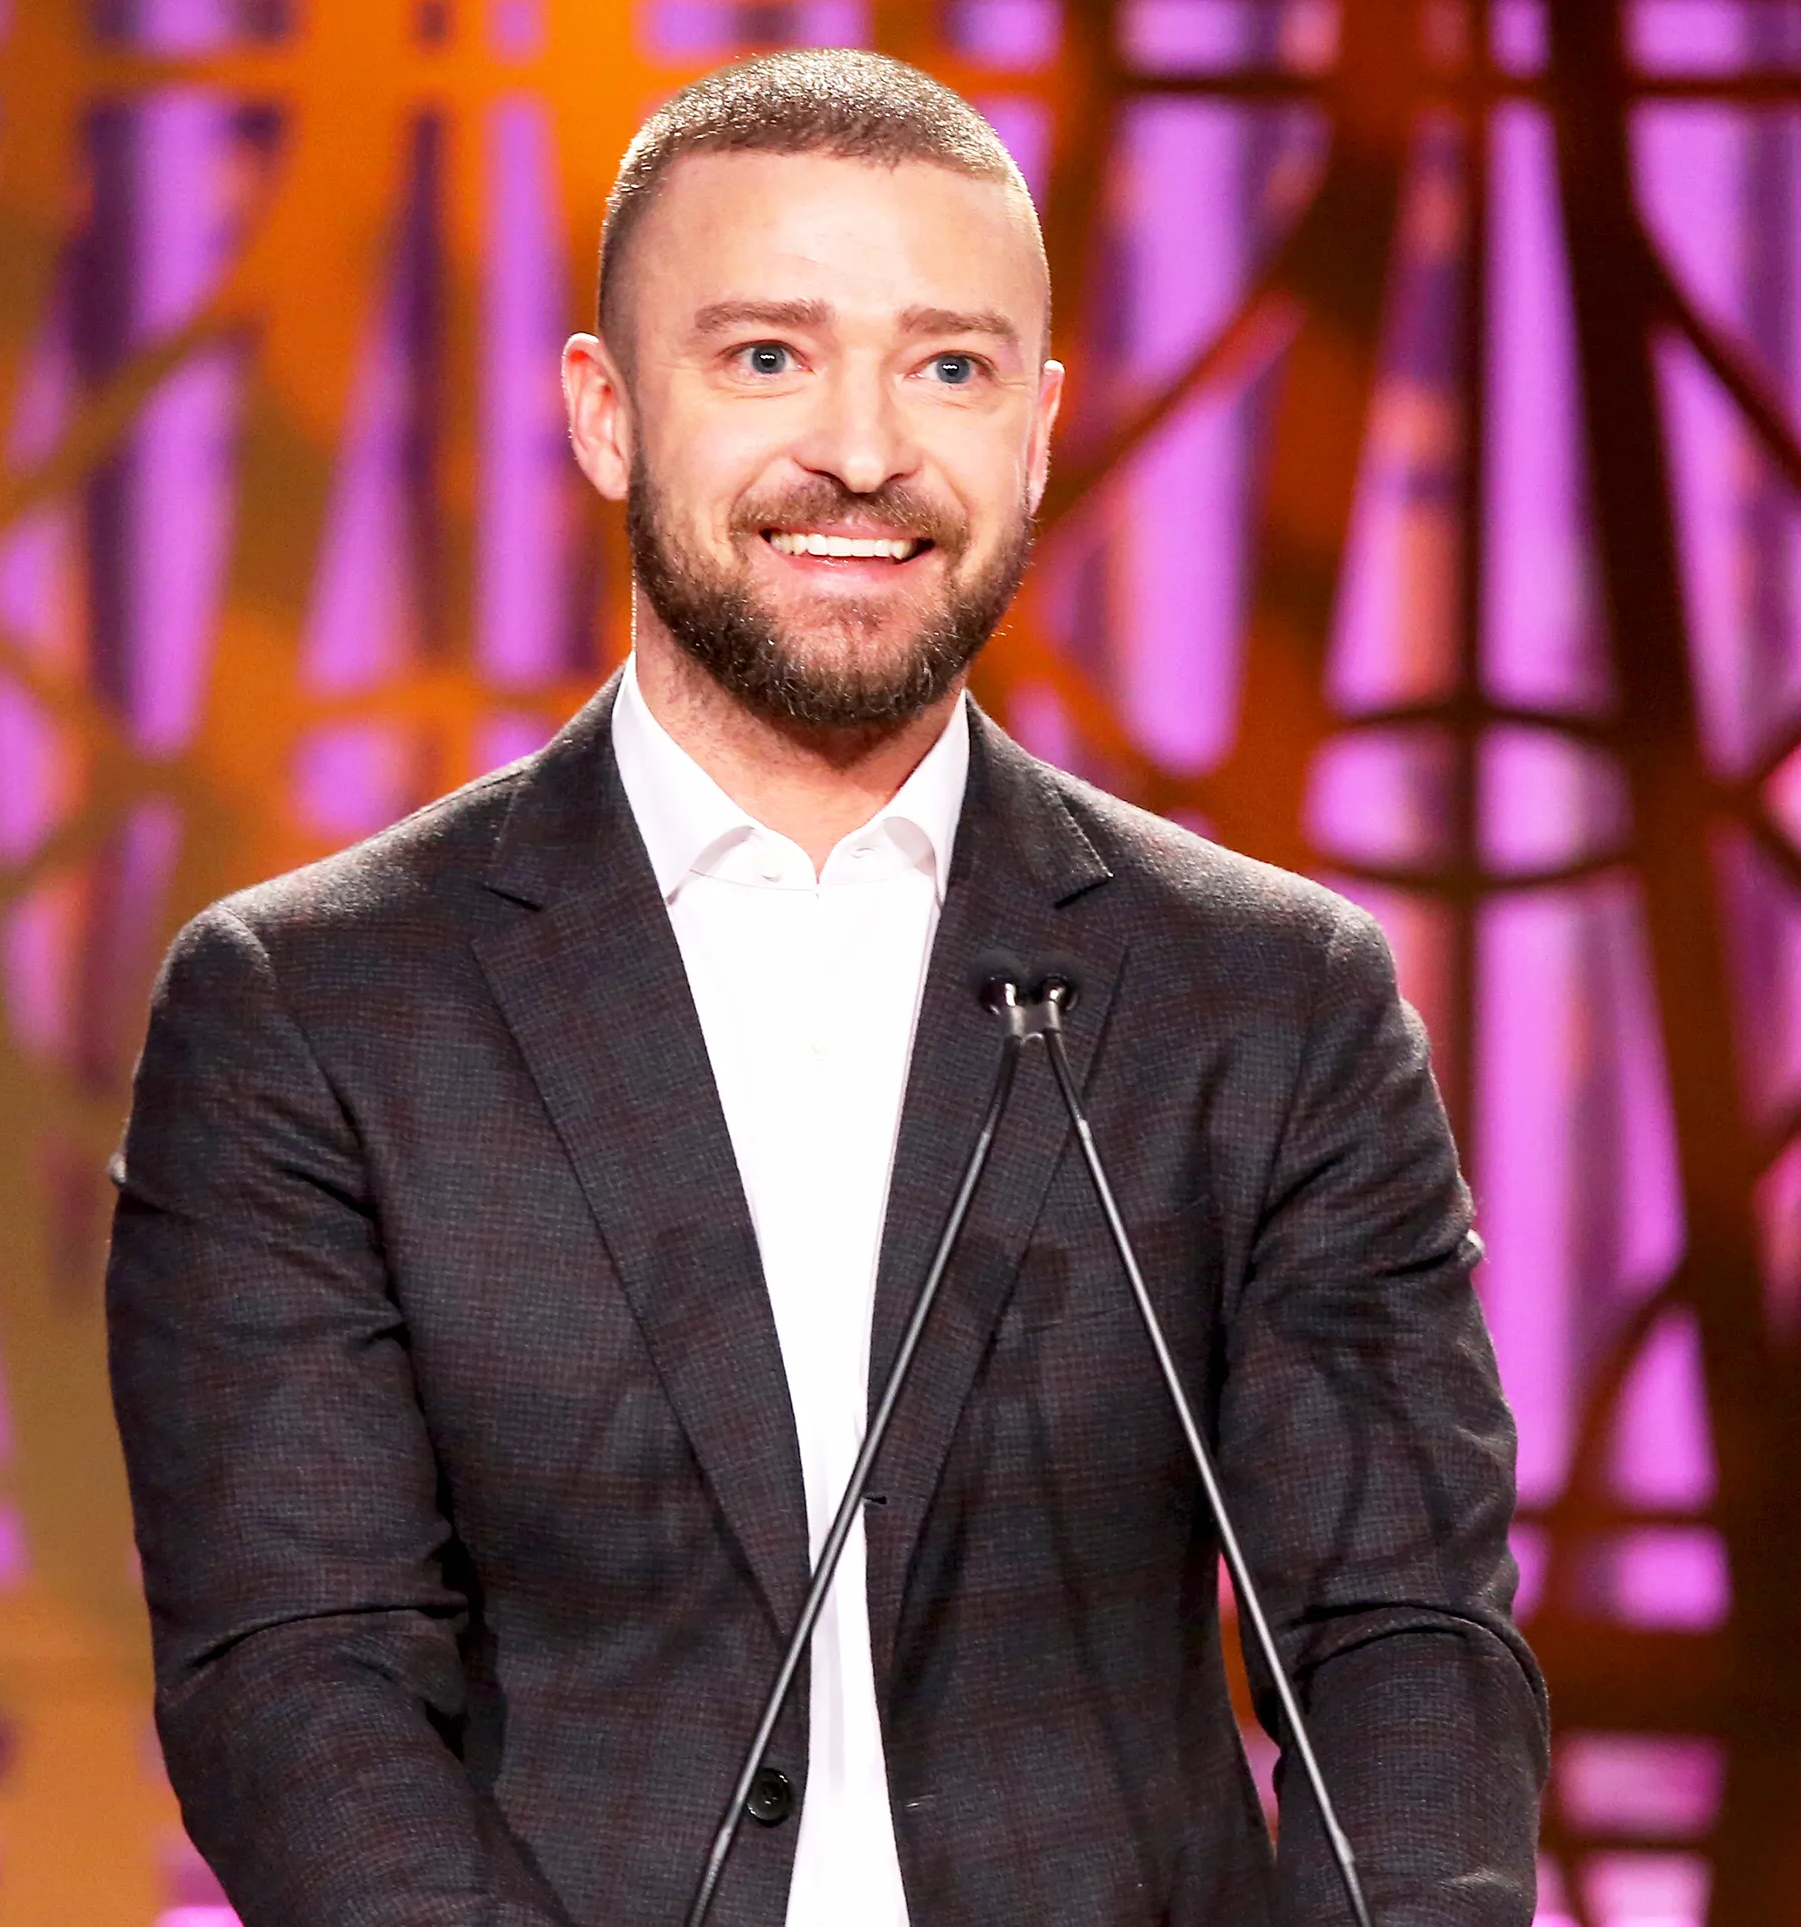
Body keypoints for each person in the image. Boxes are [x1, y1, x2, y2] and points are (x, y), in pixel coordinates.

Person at [106, 48, 1547, 1927]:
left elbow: (1399, 1637)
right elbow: (303, 1681)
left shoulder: (1269, 997)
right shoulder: (315, 1010)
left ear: (1037, 423)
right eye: (767, 356)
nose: (865, 449)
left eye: (945, 366)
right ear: (608, 412)